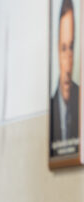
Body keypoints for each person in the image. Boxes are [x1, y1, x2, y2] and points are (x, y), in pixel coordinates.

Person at [52, 0, 80, 155]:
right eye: (63, 49)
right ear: (57, 50)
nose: (68, 65)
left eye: (71, 47)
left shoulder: (80, 99)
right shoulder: (52, 105)